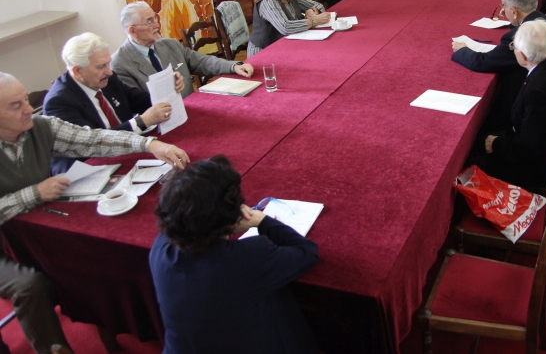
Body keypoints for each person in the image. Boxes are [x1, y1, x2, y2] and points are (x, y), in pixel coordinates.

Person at [0, 72, 188, 354]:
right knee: (30, 286)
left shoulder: (39, 126)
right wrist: (34, 193)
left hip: (39, 226)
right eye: (16, 106)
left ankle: (117, 320)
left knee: (94, 253)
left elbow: (94, 140)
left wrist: (150, 144)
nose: (29, 109)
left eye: (26, 100)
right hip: (6, 241)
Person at [150, 155, 319, 354]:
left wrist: (224, 224)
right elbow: (306, 252)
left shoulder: (160, 248)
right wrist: (262, 221)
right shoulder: (249, 257)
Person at [467, 20, 546, 191]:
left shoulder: (539, 92)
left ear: (522, 55)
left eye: (513, 47)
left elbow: (529, 149)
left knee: (469, 165)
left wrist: (496, 144)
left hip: (545, 167)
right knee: (481, 139)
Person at [43, 33, 179, 174]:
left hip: (127, 154)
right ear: (77, 71)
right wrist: (141, 121)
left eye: (108, 63)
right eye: (101, 66)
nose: (109, 71)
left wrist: (169, 86)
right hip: (89, 171)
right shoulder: (59, 102)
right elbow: (94, 144)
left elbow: (140, 101)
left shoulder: (107, 78)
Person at [452, 0, 546, 134]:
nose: (502, 10)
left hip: (532, 105)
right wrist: (515, 20)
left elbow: (483, 62)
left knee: (482, 129)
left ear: (514, 11)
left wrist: (462, 50)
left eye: (504, 6)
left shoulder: (519, 38)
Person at [112, 2, 254, 97]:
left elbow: (203, 62)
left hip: (192, 111)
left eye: (155, 19)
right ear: (133, 30)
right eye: (149, 21)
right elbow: (136, 105)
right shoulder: (119, 64)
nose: (157, 25)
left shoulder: (170, 45)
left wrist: (233, 66)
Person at [247, 0, 330, 56]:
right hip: (263, 51)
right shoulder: (268, 1)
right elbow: (285, 27)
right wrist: (314, 20)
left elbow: (319, 5)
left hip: (285, 44)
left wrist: (313, 11)